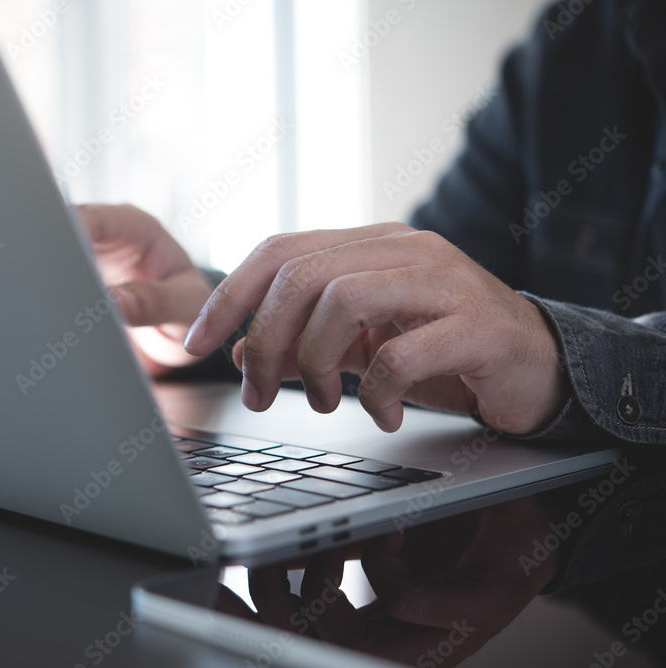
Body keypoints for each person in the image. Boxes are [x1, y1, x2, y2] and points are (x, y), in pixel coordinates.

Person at [76, 0, 666, 664]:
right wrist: (205, 317)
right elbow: (427, 309)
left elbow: (507, 330)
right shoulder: (576, 38)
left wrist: (553, 356)